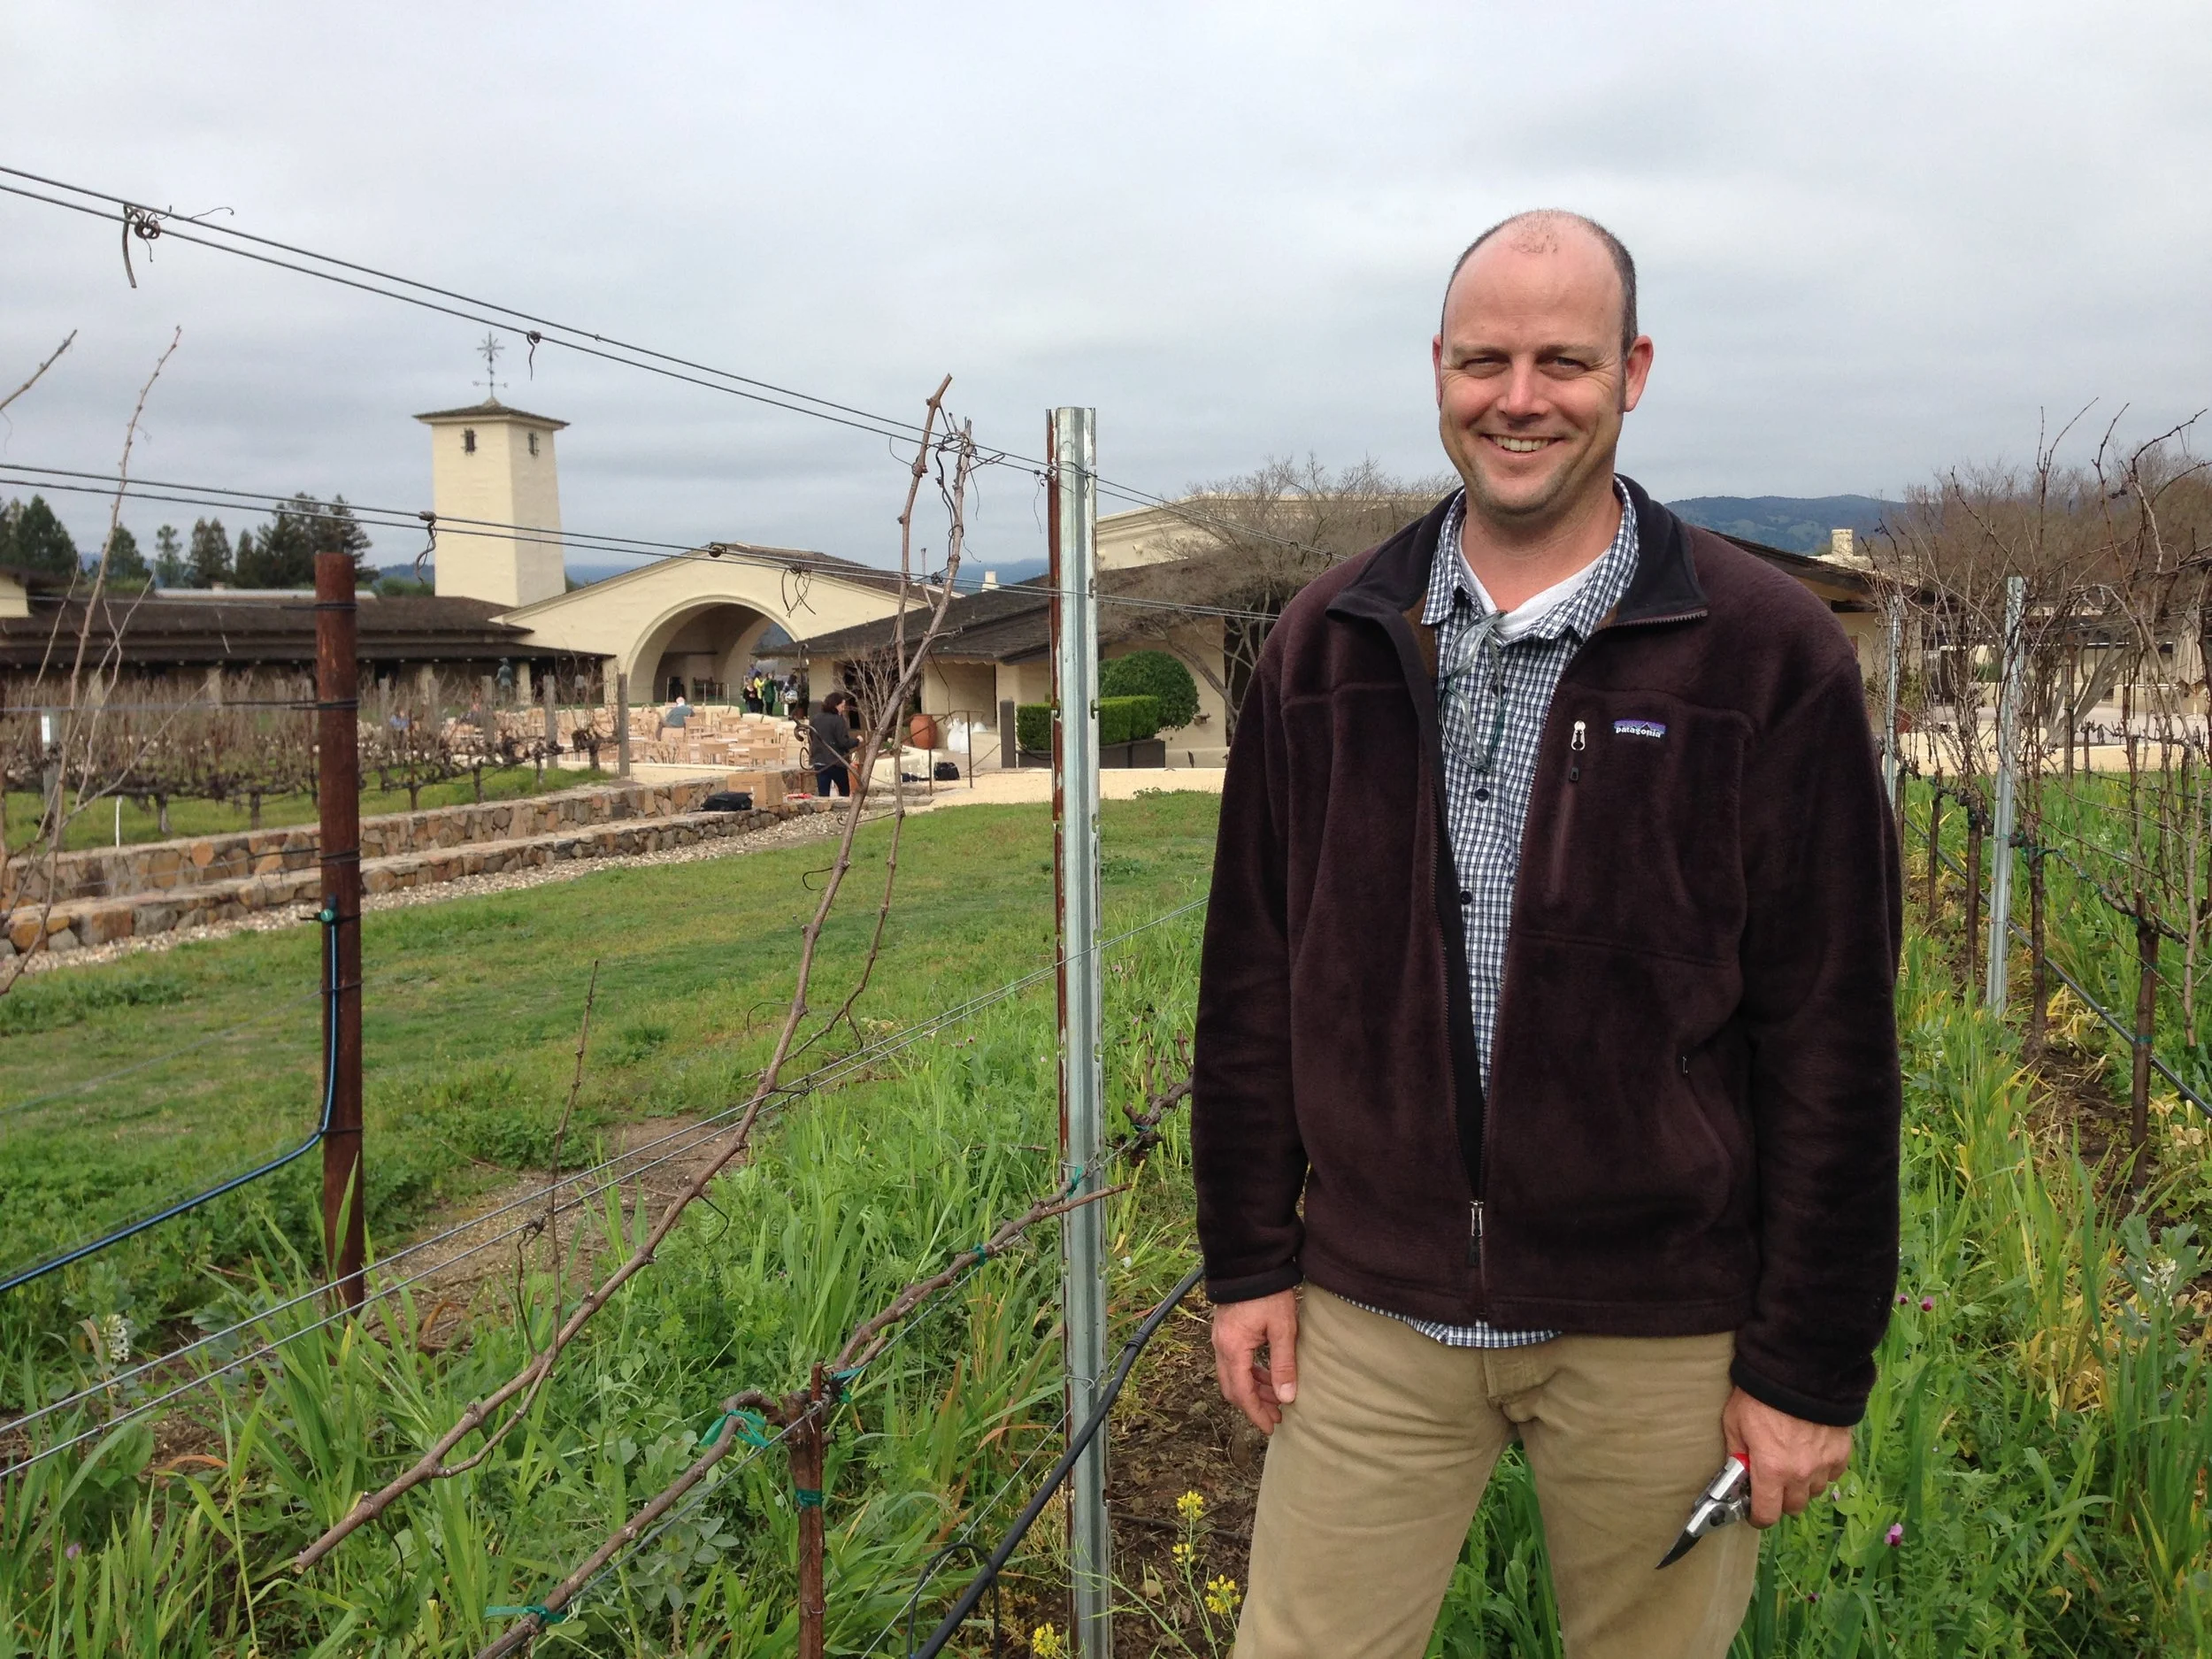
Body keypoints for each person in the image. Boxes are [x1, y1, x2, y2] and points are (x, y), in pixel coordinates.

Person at [1193, 211, 1901, 1659]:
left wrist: (1808, 1367)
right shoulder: (1327, 645)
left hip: (1662, 1329)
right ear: (1438, 369)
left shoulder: (1768, 658)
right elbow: (1253, 982)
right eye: (1486, 360)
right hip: (1372, 1313)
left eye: (1564, 360)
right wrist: (1249, 1259)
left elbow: (1831, 1036)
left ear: (1633, 371)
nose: (1521, 398)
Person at [808, 690, 857, 796]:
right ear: (835, 705)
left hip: (819, 761)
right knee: (844, 792)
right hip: (836, 762)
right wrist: (857, 741)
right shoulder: (838, 720)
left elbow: (811, 738)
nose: (843, 709)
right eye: (842, 706)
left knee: (823, 795)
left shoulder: (815, 718)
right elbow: (843, 742)